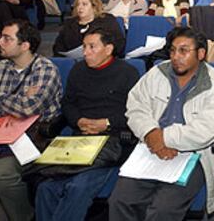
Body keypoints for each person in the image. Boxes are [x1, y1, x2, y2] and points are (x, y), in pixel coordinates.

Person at [109, 27, 214, 221]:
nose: (175, 56)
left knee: (162, 211)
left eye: (183, 51)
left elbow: (207, 129)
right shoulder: (157, 73)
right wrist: (150, 133)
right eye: (173, 50)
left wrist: (163, 138)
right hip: (150, 148)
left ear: (201, 54)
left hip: (194, 155)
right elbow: (135, 106)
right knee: (120, 202)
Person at [35, 28, 140, 221]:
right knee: (45, 188)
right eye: (84, 47)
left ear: (108, 49)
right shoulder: (78, 70)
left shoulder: (128, 73)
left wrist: (106, 124)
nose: (85, 52)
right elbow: (68, 103)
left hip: (111, 141)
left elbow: (136, 113)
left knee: (78, 187)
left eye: (92, 47)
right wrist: (78, 120)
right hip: (80, 139)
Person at [0, 19, 62, 221]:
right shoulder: (1, 67)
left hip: (32, 138)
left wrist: (1, 97)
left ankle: (25, 217)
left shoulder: (45, 69)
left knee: (3, 175)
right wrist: (19, 98)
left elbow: (29, 108)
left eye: (7, 39)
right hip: (2, 131)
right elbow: (22, 105)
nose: (0, 41)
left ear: (24, 46)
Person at [53, 0, 125, 57]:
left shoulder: (107, 20)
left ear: (94, 7)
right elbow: (58, 48)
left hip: (102, 62)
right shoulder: (69, 23)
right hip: (75, 63)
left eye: (84, 4)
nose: (80, 7)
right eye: (78, 4)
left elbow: (119, 44)